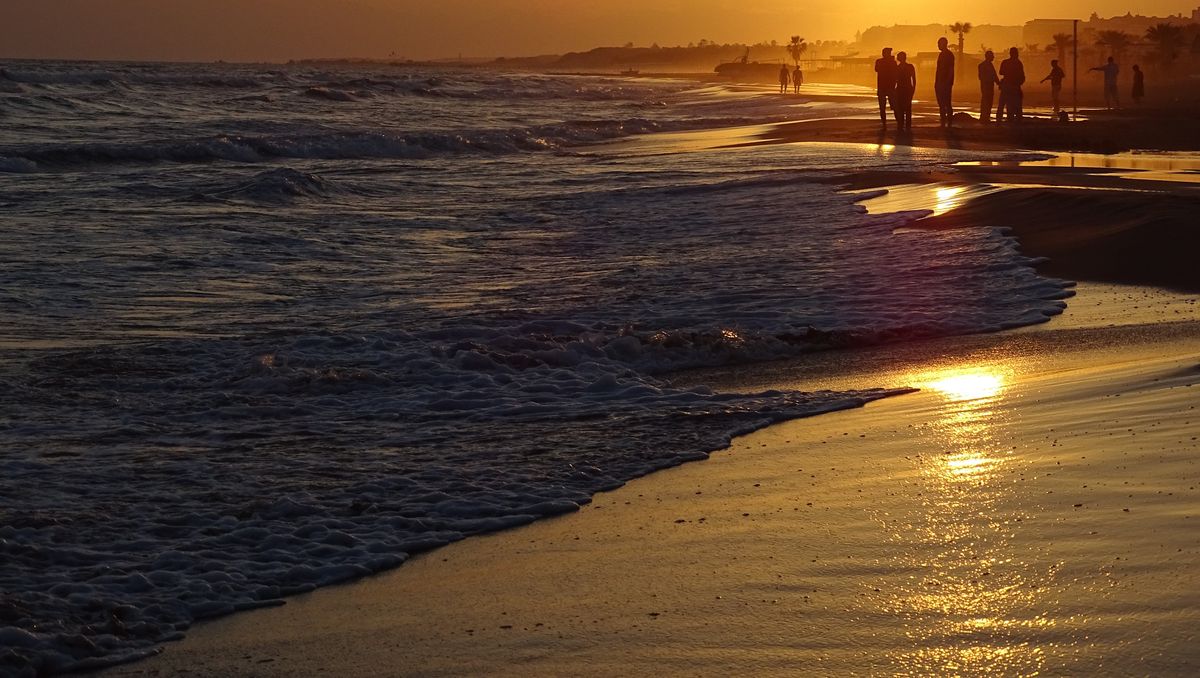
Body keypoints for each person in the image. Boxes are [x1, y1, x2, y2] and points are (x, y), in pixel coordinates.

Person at [998, 47, 1025, 122]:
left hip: (1007, 85)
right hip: (1014, 86)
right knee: (1015, 104)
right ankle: (1015, 119)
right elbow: (1022, 76)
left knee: (1004, 104)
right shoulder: (1018, 63)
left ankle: (1001, 120)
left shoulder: (1005, 62)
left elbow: (1001, 72)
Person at [874, 48, 898, 126]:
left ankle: (885, 124)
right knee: (894, 106)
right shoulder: (892, 62)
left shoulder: (880, 62)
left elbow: (877, 69)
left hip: (884, 87)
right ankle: (898, 122)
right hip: (889, 87)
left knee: (884, 107)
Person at [935, 36, 955, 127]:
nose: (938, 45)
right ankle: (943, 121)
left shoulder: (949, 55)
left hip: (945, 83)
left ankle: (949, 122)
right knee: (941, 103)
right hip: (940, 82)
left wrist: (947, 82)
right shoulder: (941, 55)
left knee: (946, 103)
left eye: (939, 44)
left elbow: (951, 69)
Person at [894, 51, 917, 131]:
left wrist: (913, 89)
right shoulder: (899, 67)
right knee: (902, 107)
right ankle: (902, 124)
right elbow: (895, 80)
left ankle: (905, 125)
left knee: (905, 107)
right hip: (902, 88)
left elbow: (914, 79)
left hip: (906, 88)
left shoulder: (907, 67)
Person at [978, 50, 1000, 123]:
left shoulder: (981, 65)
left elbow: (981, 77)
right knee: (988, 101)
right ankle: (985, 117)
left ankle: (983, 117)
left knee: (985, 101)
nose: (993, 57)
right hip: (988, 86)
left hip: (984, 86)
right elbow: (994, 76)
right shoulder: (988, 65)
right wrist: (999, 84)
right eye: (992, 56)